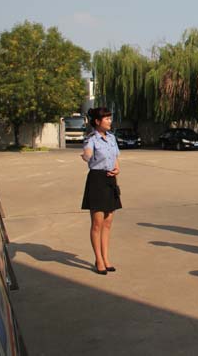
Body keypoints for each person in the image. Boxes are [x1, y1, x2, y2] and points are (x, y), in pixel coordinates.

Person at [81, 107, 122, 275]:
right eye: (107, 119)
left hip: (110, 180)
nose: (110, 121)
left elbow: (115, 157)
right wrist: (86, 155)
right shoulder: (91, 139)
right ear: (97, 121)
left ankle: (106, 258)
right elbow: (87, 154)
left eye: (110, 118)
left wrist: (117, 169)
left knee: (108, 222)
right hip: (97, 181)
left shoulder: (112, 138)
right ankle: (98, 259)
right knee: (97, 223)